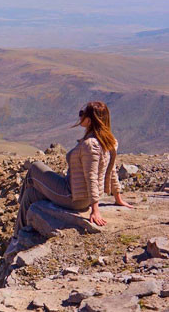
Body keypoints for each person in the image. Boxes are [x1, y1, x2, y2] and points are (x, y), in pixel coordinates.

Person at [14, 101, 133, 236]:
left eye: (82, 114)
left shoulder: (91, 145)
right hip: (82, 196)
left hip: (73, 196)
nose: (80, 116)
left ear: (89, 120)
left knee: (35, 168)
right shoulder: (110, 142)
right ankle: (19, 235)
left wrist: (95, 210)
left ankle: (18, 227)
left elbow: (91, 176)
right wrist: (117, 197)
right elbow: (111, 170)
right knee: (30, 195)